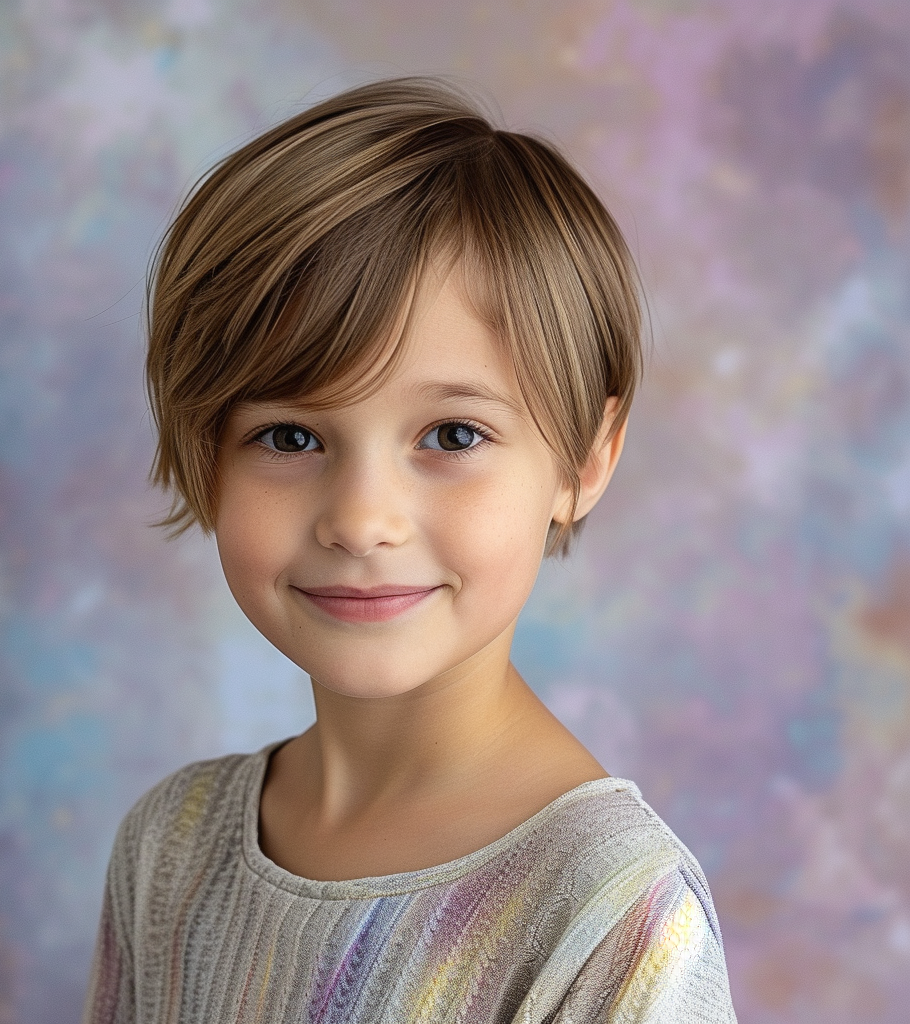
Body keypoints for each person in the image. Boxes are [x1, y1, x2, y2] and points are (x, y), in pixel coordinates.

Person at [82, 77, 737, 1023]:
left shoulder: (616, 920)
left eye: (454, 436)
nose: (361, 520)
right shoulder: (171, 848)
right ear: (203, 450)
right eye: (290, 437)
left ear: (584, 461)